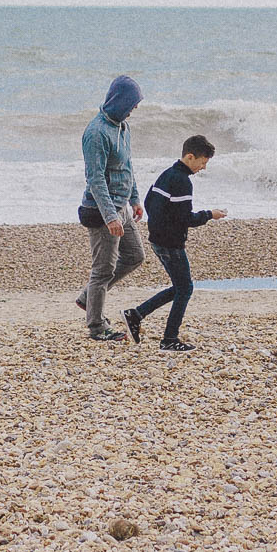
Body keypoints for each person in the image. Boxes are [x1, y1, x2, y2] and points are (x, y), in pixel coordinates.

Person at [123, 134, 226, 351]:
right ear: (190, 157)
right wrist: (210, 214)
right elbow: (186, 219)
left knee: (181, 287)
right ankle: (169, 339)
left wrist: (160, 225)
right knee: (185, 288)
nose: (203, 168)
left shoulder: (167, 174)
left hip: (158, 240)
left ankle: (136, 314)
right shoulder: (182, 181)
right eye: (203, 162)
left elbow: (150, 202)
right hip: (170, 243)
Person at [75, 74, 145, 341]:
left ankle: (87, 298)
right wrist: (110, 216)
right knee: (102, 270)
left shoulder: (122, 128)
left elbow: (126, 167)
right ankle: (96, 326)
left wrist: (135, 199)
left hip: (122, 208)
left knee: (135, 256)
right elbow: (95, 179)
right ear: (119, 100)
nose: (134, 109)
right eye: (132, 103)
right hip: (101, 211)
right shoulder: (95, 133)